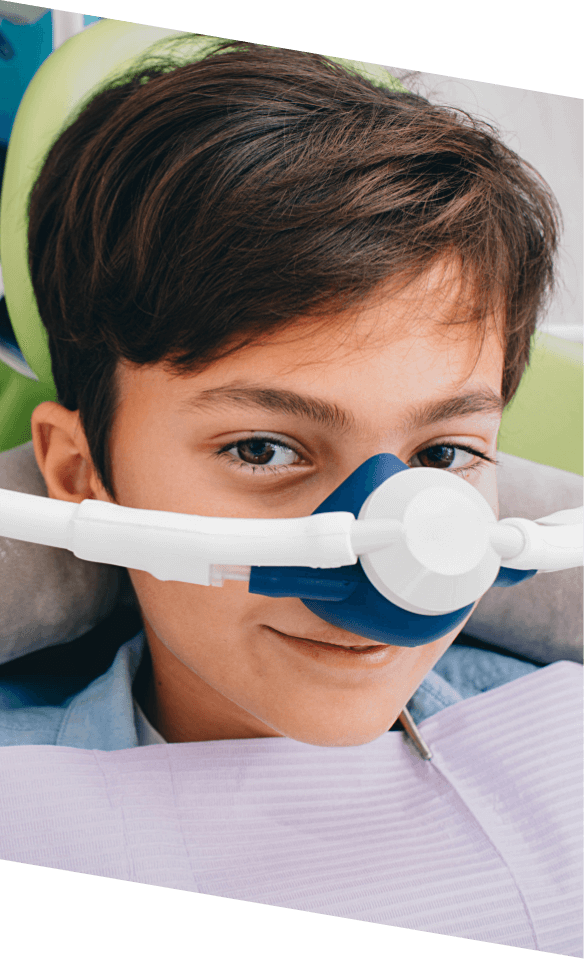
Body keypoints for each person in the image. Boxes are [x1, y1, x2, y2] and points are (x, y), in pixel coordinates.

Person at [20, 38, 560, 750]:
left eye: (442, 453)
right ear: (80, 470)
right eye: (262, 448)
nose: (381, 559)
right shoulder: (22, 799)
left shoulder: (558, 743)